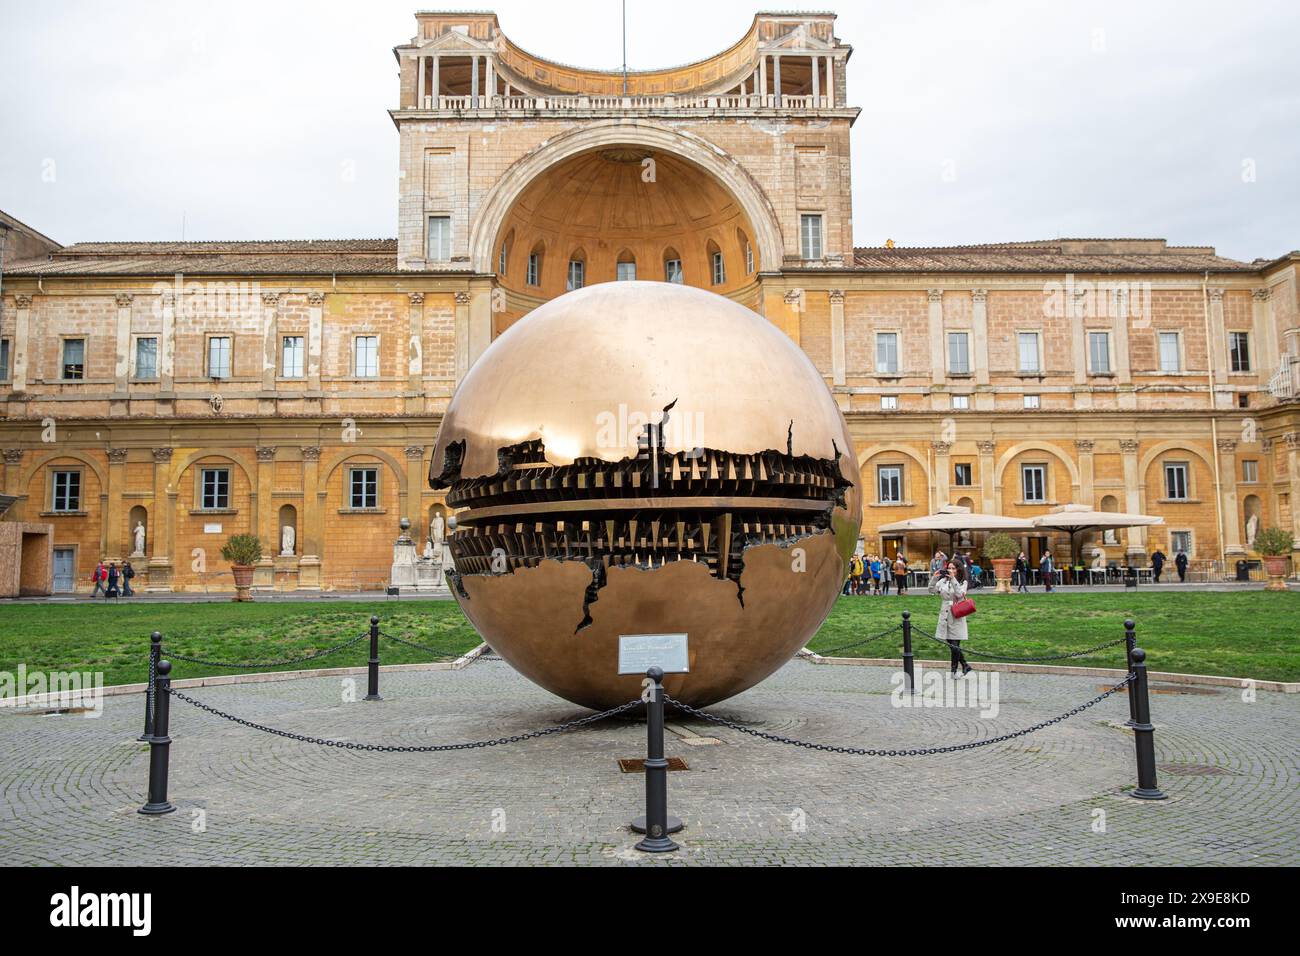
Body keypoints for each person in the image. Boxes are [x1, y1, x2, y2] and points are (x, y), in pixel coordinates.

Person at [929, 556, 972, 677]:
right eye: (949, 568)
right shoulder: (943, 581)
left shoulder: (963, 582)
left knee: (955, 644)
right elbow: (931, 590)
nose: (950, 570)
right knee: (951, 644)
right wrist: (935, 577)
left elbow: (959, 595)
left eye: (953, 568)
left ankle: (954, 671)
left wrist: (953, 580)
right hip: (945, 614)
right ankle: (965, 665)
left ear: (958, 570)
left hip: (956, 614)